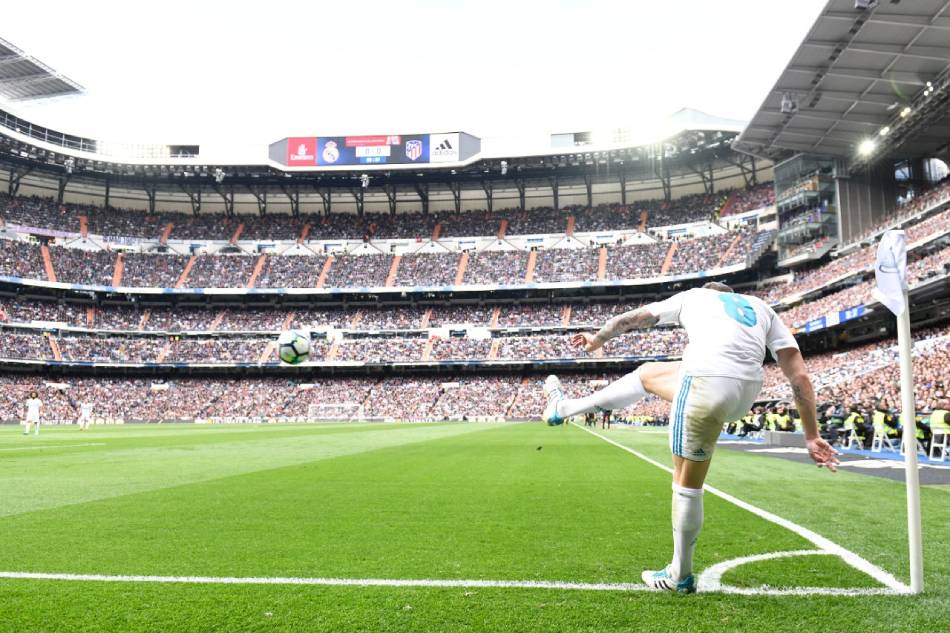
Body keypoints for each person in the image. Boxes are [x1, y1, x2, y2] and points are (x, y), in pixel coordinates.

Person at [541, 282, 839, 593]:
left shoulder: (695, 296)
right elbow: (799, 375)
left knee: (685, 482)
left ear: (708, 289)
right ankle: (564, 407)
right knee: (647, 374)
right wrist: (811, 435)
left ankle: (679, 575)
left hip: (704, 382)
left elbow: (628, 319)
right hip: (745, 392)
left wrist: (596, 340)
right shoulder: (760, 307)